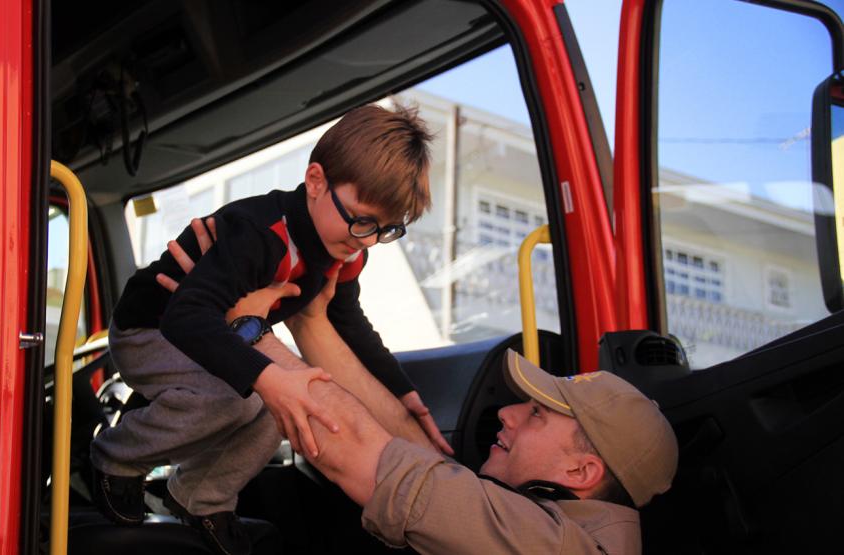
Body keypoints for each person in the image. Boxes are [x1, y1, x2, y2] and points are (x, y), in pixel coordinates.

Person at [165, 221, 679, 554]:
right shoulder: (563, 526)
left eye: (538, 415)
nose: (508, 414)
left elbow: (356, 452)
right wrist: (311, 323)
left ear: (581, 470)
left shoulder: (547, 547)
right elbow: (419, 466)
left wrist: (241, 325)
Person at [89, 104, 450, 555]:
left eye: (387, 229)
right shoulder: (261, 233)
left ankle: (202, 498)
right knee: (236, 402)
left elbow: (348, 320)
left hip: (211, 333)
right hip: (152, 329)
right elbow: (187, 316)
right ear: (316, 182)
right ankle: (114, 458)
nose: (368, 239)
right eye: (360, 219)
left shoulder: (347, 249)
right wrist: (269, 376)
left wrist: (402, 391)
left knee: (275, 413)